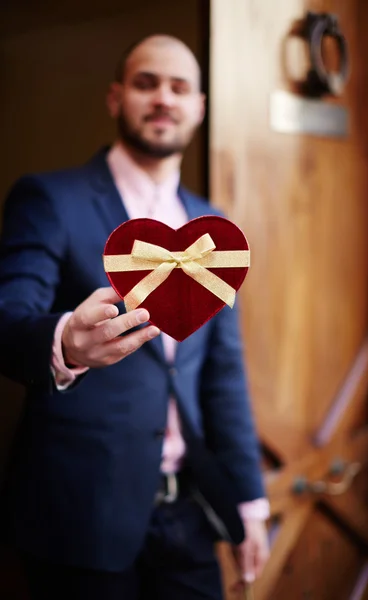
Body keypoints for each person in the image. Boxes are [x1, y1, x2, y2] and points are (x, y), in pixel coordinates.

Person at [0, 34, 270, 600]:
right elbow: (8, 317)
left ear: (199, 106)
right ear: (115, 97)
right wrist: (66, 341)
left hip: (189, 514)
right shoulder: (50, 199)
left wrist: (249, 500)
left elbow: (223, 376)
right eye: (147, 84)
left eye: (179, 87)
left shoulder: (214, 229)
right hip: (79, 517)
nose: (163, 99)